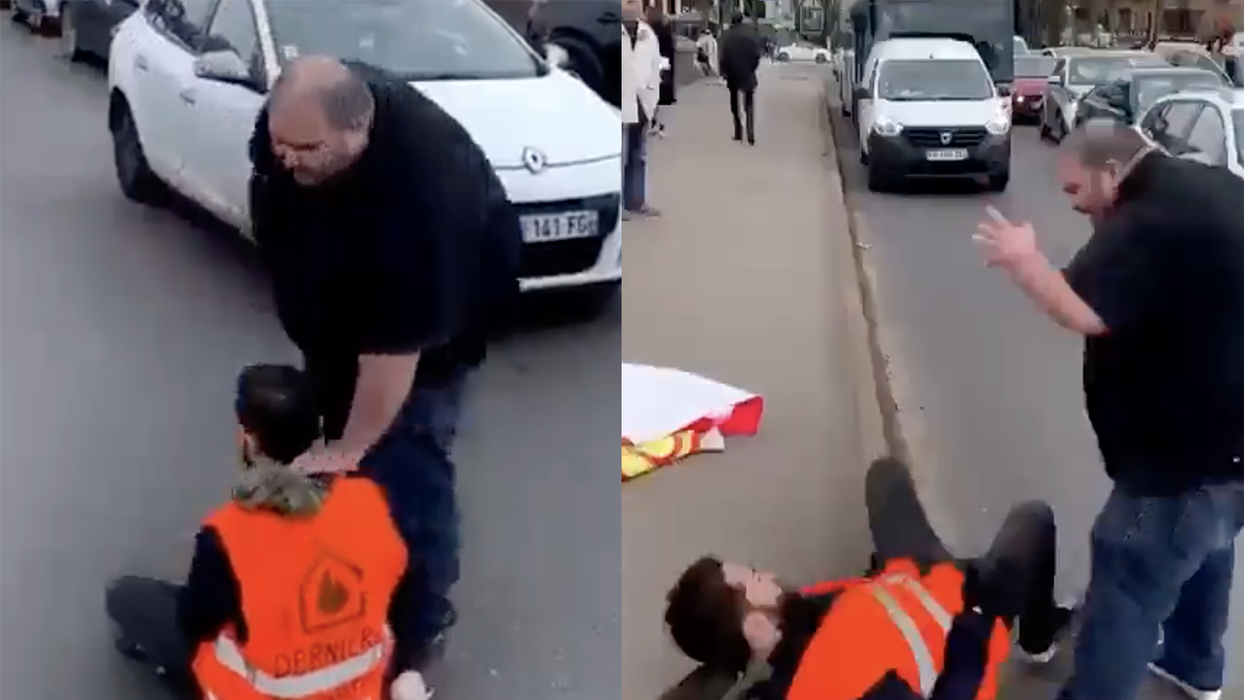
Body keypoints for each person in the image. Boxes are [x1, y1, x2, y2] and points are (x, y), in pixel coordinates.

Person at [247, 56, 522, 670]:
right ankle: (349, 566)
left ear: (359, 131)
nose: (287, 159)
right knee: (347, 444)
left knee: (407, 458)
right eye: (278, 142)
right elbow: (275, 189)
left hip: (433, 330)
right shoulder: (298, 125)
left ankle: (423, 617)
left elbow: (396, 350)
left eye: (306, 148)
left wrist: (350, 444)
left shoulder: (426, 189)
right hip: (345, 311)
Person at [973, 119, 1245, 700]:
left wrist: (1023, 261)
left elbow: (1084, 311)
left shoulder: (1149, 222)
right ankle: (1195, 670)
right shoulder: (1211, 187)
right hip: (1231, 449)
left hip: (1177, 465)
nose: (1071, 204)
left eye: (1075, 191)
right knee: (1209, 549)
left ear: (1112, 172)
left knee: (1126, 588)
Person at [105, 365, 437, 700]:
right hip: (357, 691)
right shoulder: (369, 500)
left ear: (248, 441)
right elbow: (407, 588)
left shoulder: (229, 535)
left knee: (128, 597)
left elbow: (197, 623)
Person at [662, 457, 1075, 700]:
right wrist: (977, 624)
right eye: (754, 577)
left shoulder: (794, 617)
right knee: (1034, 519)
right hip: (964, 609)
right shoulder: (839, 677)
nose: (766, 573)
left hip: (909, 578)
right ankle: (1036, 638)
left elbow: (852, 601)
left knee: (885, 477)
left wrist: (881, 575)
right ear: (754, 626)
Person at [621, 0, 663, 219]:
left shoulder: (648, 34)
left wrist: (652, 101)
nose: (632, 6)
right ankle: (618, 206)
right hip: (617, 103)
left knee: (638, 154)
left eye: (635, 2)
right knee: (619, 156)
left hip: (642, 103)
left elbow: (655, 69)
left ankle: (637, 200)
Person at [719, 13, 761, 145]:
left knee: (734, 102)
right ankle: (750, 133)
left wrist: (724, 71)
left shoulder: (728, 35)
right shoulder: (750, 33)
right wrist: (752, 68)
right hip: (747, 72)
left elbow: (723, 55)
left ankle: (738, 131)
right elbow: (756, 54)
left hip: (733, 72)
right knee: (749, 102)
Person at [647, 5, 677, 138]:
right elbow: (671, 51)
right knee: (664, 98)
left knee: (653, 97)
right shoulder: (666, 31)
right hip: (665, 66)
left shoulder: (648, 31)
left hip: (653, 66)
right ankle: (661, 126)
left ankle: (654, 124)